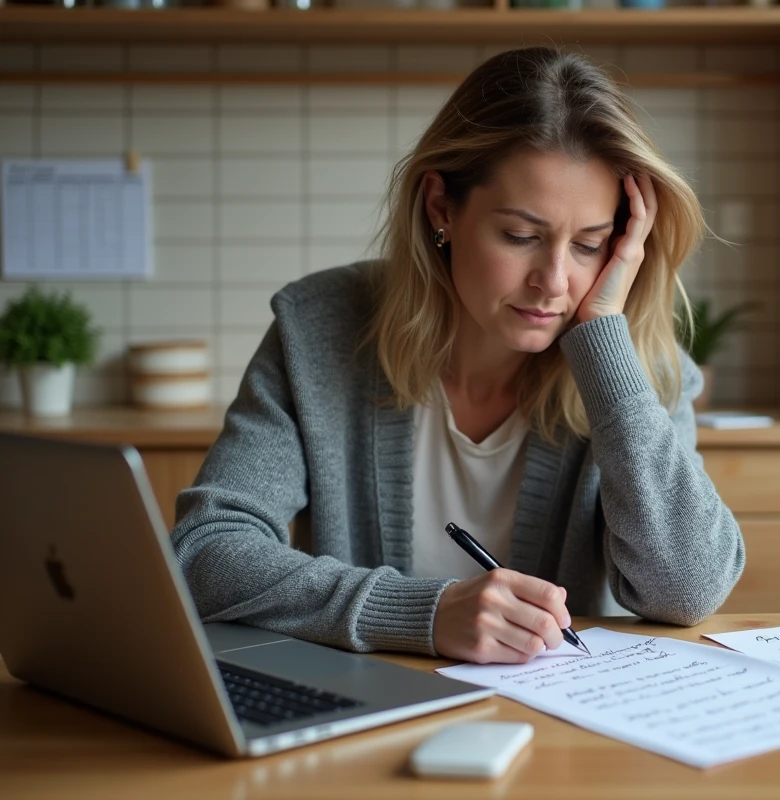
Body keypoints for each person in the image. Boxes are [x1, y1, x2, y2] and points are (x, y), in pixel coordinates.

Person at [171, 46, 744, 665]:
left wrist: (602, 337)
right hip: (359, 724)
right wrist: (424, 613)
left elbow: (689, 590)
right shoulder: (319, 329)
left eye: (589, 245)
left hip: (565, 738)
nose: (554, 280)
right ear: (442, 207)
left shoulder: (635, 373)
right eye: (521, 236)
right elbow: (205, 549)